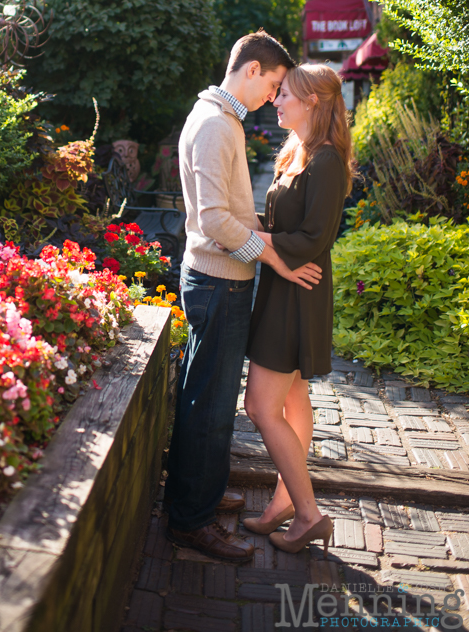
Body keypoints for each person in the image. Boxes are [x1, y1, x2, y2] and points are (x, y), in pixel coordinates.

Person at [165, 32, 324, 562]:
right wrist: (275, 256)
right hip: (218, 280)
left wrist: (266, 231)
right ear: (252, 70)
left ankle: (201, 496)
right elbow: (213, 220)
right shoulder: (215, 123)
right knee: (209, 407)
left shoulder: (219, 117)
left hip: (217, 278)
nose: (274, 97)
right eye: (274, 84)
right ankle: (191, 520)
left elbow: (228, 211)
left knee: (205, 397)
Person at [241, 63, 354, 558]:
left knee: (260, 408)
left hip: (297, 291)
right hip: (282, 285)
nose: (276, 100)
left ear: (312, 101)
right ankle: (282, 506)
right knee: (292, 402)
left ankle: (308, 515)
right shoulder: (296, 151)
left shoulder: (326, 160)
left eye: (283, 94)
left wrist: (249, 239)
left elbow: (315, 238)